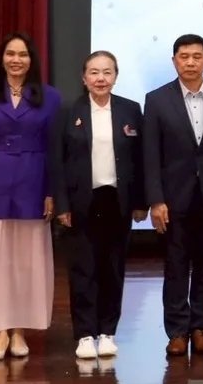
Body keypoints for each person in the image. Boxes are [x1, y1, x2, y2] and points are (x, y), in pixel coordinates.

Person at [0, 33, 61, 362]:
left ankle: (19, 330)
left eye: (23, 54)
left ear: (32, 60)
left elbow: (54, 150)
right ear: (2, 58)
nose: (16, 60)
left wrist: (51, 192)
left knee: (26, 263)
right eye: (10, 53)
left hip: (33, 181)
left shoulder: (50, 97)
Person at [142, 33, 203, 358]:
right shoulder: (157, 100)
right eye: (184, 57)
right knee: (175, 266)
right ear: (174, 61)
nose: (190, 62)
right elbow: (150, 155)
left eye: (197, 57)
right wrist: (155, 199)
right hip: (173, 199)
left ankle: (201, 329)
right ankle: (177, 332)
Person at [50, 51, 146, 361]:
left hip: (117, 200)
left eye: (107, 72)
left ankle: (107, 332)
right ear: (84, 77)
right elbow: (58, 162)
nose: (100, 78)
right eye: (94, 72)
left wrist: (141, 201)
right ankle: (84, 334)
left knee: (113, 269)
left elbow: (140, 159)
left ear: (115, 76)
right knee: (83, 270)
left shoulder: (131, 110)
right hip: (82, 202)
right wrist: (62, 204)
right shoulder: (68, 111)